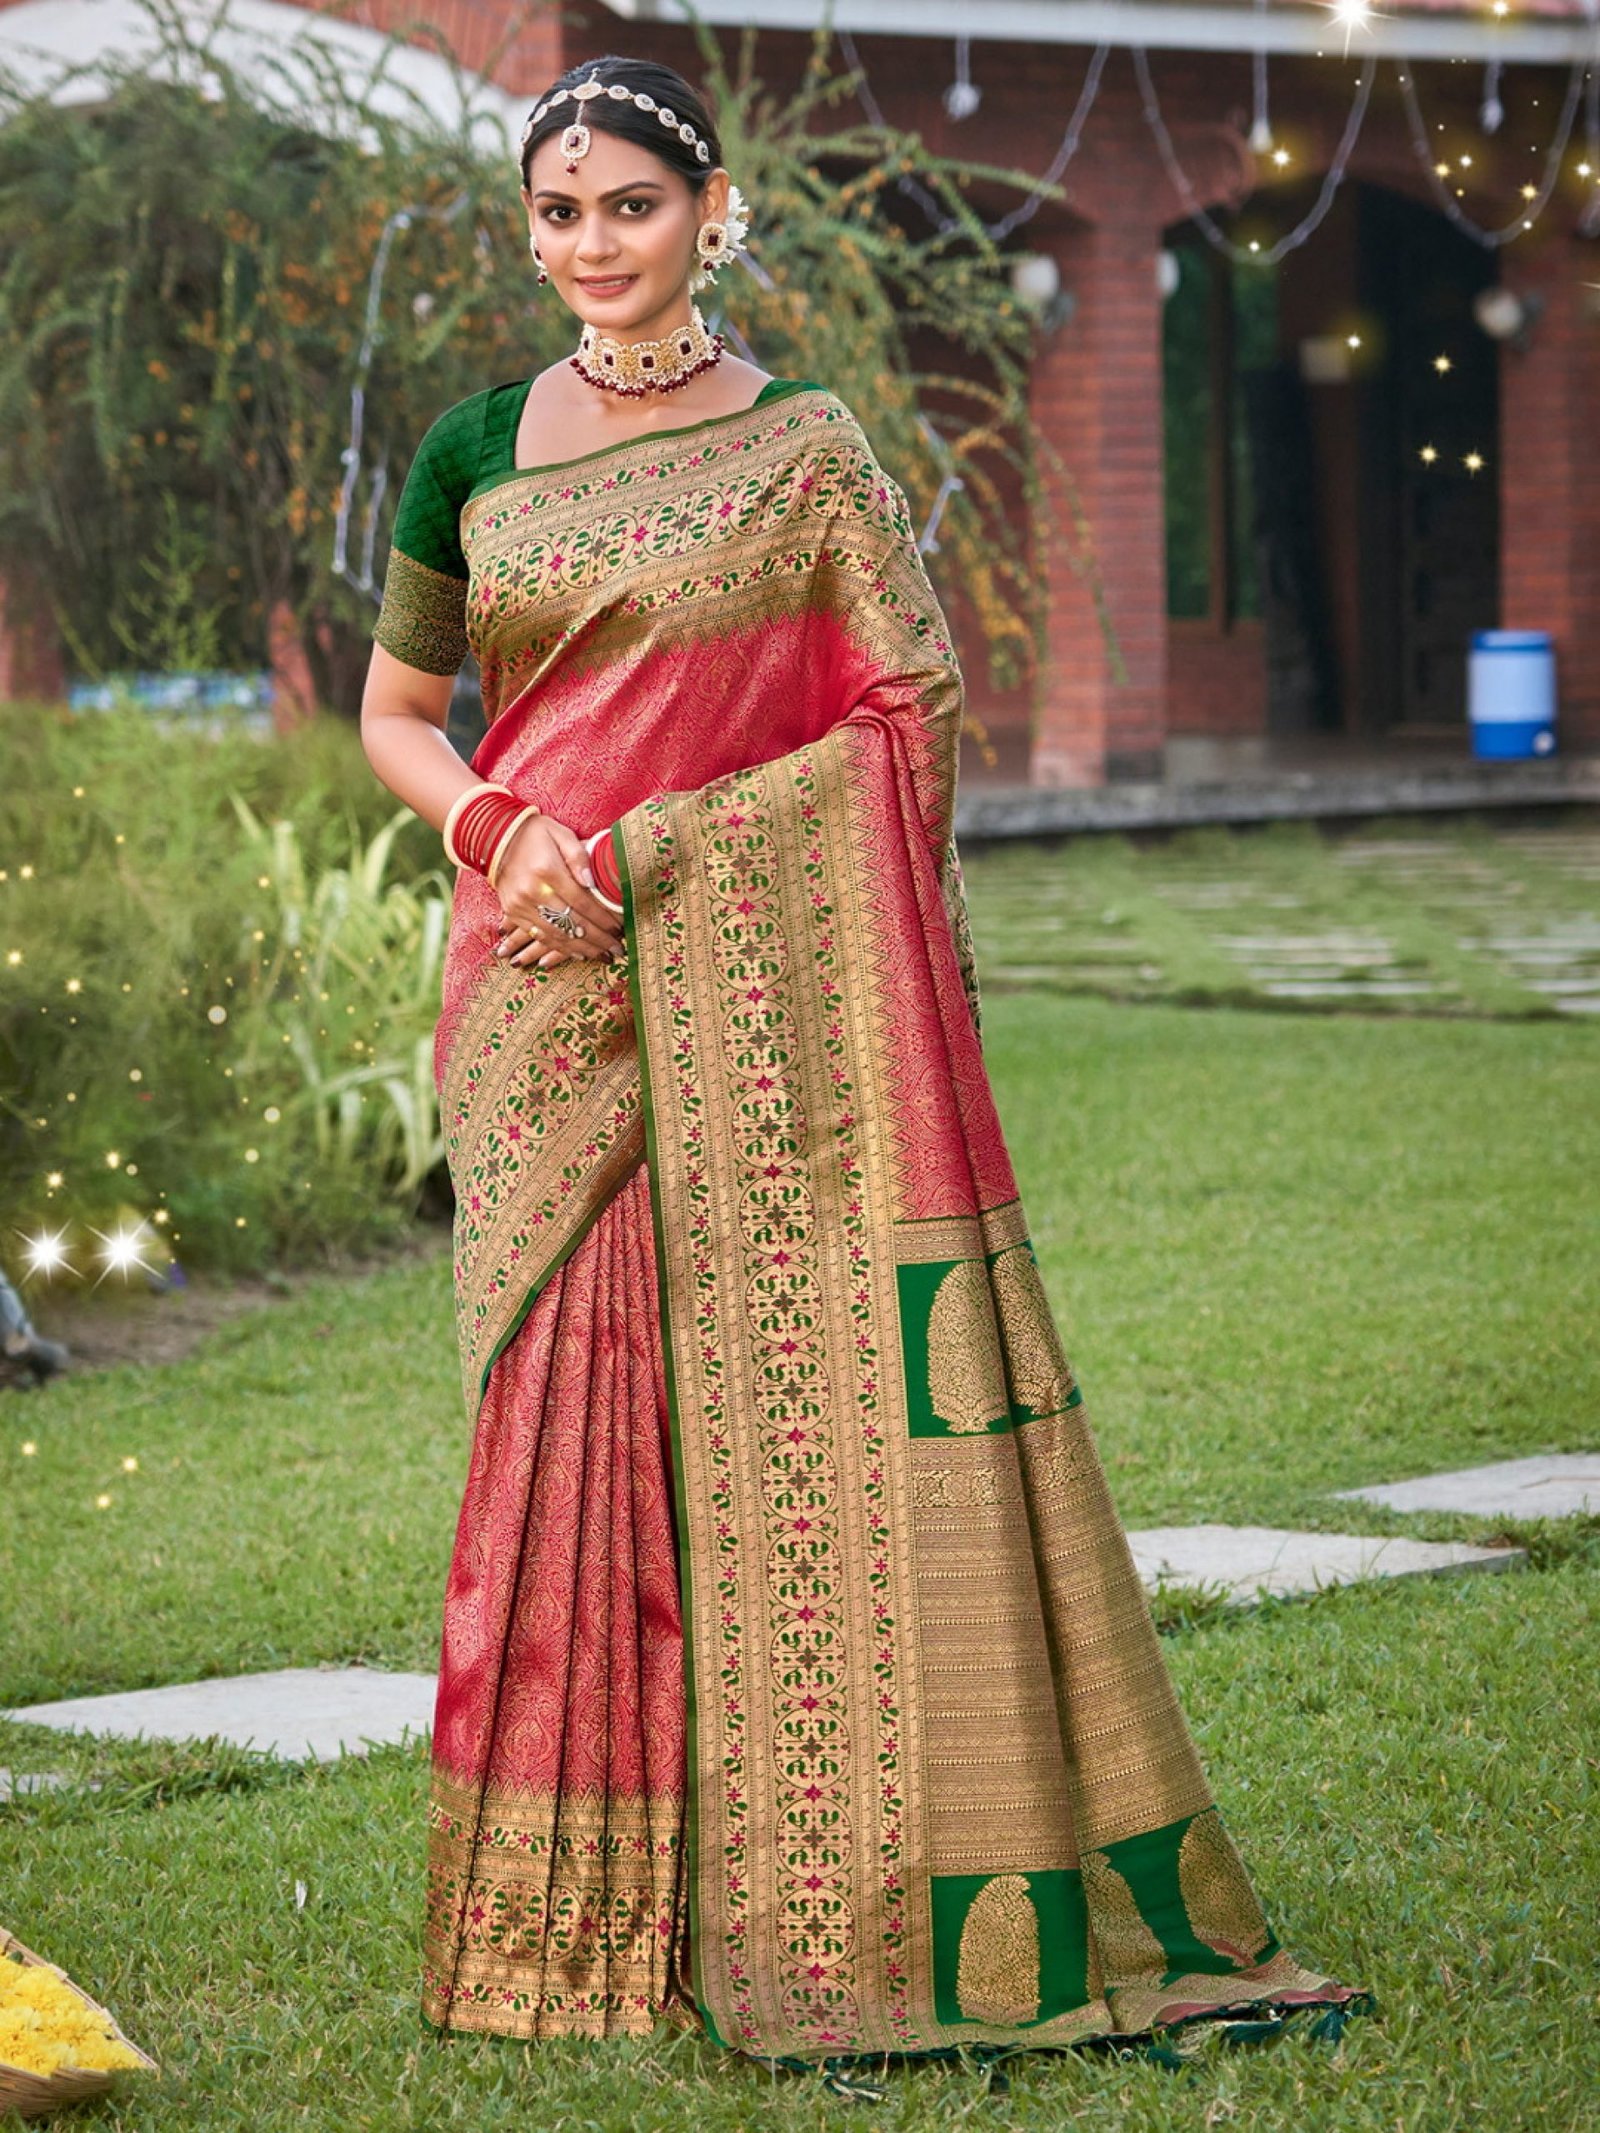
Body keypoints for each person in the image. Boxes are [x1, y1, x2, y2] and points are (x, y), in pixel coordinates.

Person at [359, 53, 1366, 2077]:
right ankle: (575, 1929)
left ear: (710, 210)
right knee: (569, 1431)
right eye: (557, 213)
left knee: (802, 1418)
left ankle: (822, 1888)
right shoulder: (470, 444)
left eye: (629, 205)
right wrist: (498, 827)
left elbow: (907, 718)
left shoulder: (806, 448)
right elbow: (397, 710)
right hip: (542, 999)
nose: (591, 245)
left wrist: (658, 856)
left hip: (762, 1005)